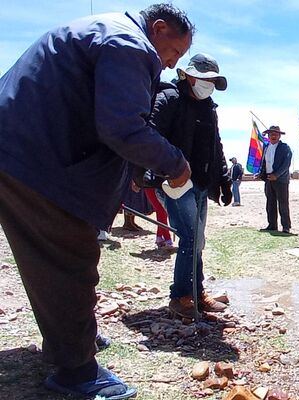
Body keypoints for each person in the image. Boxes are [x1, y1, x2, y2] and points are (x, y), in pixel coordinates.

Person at [0, 4, 194, 399]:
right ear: (158, 30)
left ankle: (68, 341)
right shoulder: (130, 44)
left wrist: (136, 171)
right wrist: (175, 163)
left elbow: (101, 116)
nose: (170, 65)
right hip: (37, 160)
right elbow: (123, 127)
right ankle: (76, 370)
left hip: (22, 150)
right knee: (69, 256)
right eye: (173, 54)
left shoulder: (104, 31)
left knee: (48, 257)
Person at [149, 53, 232, 318]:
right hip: (174, 182)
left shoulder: (209, 108)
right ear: (188, 75)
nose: (207, 85)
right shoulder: (169, 98)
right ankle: (180, 296)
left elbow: (215, 147)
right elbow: (148, 134)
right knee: (190, 237)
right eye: (204, 79)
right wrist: (152, 173)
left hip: (201, 184)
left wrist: (225, 181)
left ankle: (196, 293)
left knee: (197, 240)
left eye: (212, 81)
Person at [259, 126, 293, 233]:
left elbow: (286, 164)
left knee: (283, 204)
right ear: (268, 136)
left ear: (279, 136)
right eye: (271, 134)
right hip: (269, 179)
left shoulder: (285, 147)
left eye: (275, 134)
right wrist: (261, 174)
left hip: (281, 180)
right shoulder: (266, 147)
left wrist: (277, 175)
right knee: (270, 203)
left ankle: (286, 227)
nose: (273, 136)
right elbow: (264, 163)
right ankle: (272, 225)